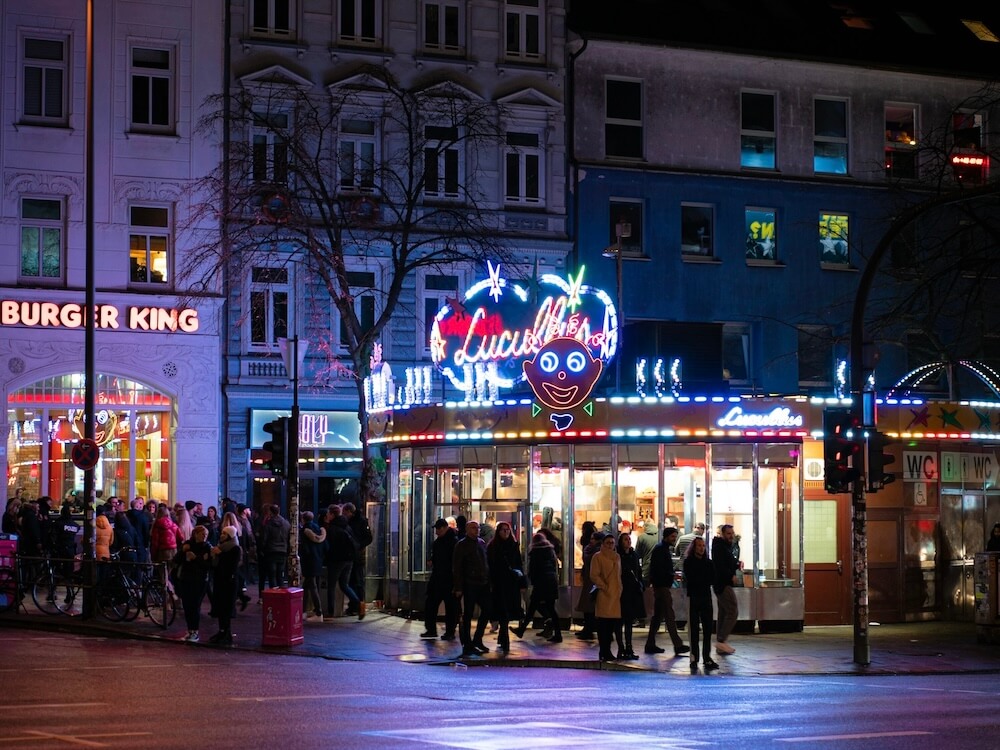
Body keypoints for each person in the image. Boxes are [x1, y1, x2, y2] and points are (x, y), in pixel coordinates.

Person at [645, 527, 690, 657]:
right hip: (662, 587)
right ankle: (677, 644)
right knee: (669, 615)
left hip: (660, 586)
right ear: (666, 536)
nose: (674, 539)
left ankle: (650, 644)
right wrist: (670, 576)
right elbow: (660, 570)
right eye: (672, 537)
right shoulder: (661, 550)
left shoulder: (662, 549)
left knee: (658, 617)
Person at [514, 531, 562, 643]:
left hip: (541, 583)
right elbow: (555, 566)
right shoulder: (551, 550)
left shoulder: (535, 552)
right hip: (551, 581)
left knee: (532, 606)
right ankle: (557, 634)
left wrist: (531, 581)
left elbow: (533, 570)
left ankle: (521, 630)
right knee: (550, 608)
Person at [452, 520, 490, 657]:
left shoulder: (481, 543)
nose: (476, 530)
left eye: (477, 528)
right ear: (467, 530)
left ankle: (477, 639)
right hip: (469, 584)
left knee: (487, 609)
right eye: (473, 528)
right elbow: (457, 567)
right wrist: (458, 587)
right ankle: (467, 644)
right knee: (467, 615)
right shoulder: (461, 545)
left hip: (482, 583)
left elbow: (485, 562)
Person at [486, 521, 522, 654]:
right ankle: (504, 638)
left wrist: (521, 581)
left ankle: (503, 637)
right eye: (503, 530)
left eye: (507, 530)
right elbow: (490, 565)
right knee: (502, 611)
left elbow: (518, 563)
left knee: (505, 612)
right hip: (498, 584)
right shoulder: (493, 546)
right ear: (498, 532)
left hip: (511, 584)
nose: (506, 532)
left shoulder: (513, 545)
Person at [683, 536, 719, 671]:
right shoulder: (689, 562)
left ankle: (707, 657)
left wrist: (702, 579)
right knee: (693, 630)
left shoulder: (708, 563)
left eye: (703, 546)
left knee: (708, 629)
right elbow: (691, 578)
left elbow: (712, 578)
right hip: (693, 597)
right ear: (694, 547)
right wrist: (702, 579)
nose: (701, 548)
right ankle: (694, 657)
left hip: (705, 597)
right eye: (699, 546)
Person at [420, 518, 458, 641]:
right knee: (435, 605)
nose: (436, 532)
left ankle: (443, 631)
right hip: (440, 579)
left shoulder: (451, 542)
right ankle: (438, 630)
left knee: (446, 606)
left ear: (443, 528)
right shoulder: (443, 542)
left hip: (447, 579)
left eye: (438, 529)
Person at [324, 506, 364, 620]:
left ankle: (331, 612)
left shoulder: (332, 528)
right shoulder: (346, 526)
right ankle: (359, 603)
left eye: (328, 513)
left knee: (331, 586)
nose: (327, 515)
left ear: (332, 514)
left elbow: (329, 547)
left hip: (336, 560)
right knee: (344, 585)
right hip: (349, 559)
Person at [175, 524, 212, 642]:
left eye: (206, 535)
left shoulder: (207, 547)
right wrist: (183, 552)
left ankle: (195, 631)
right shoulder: (188, 545)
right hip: (186, 578)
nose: (204, 537)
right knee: (187, 605)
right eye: (202, 534)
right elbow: (177, 559)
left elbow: (208, 565)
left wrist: (195, 558)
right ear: (195, 534)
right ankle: (190, 630)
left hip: (200, 580)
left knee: (195, 606)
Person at [590, 533, 624, 661]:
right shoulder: (598, 557)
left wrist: (619, 589)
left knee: (611, 626)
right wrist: (604, 586)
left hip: (615, 595)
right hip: (604, 595)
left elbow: (618, 575)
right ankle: (604, 650)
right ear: (603, 544)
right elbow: (594, 575)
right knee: (603, 625)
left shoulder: (617, 557)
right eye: (608, 542)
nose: (610, 545)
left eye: (612, 542)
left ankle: (607, 650)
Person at [209, 525, 243, 645]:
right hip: (219, 581)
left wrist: (220, 555)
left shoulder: (235, 548)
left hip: (229, 582)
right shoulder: (220, 547)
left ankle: (226, 632)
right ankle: (221, 630)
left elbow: (231, 567)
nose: (222, 535)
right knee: (220, 607)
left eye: (225, 534)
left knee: (226, 608)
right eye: (222, 533)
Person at [712, 524, 740, 656]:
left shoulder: (723, 547)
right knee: (732, 610)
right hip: (723, 584)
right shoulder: (720, 548)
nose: (731, 536)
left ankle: (720, 644)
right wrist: (731, 576)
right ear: (722, 534)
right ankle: (721, 640)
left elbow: (726, 563)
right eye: (728, 533)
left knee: (723, 612)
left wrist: (735, 564)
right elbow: (721, 567)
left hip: (721, 584)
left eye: (732, 533)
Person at [616, 532, 644, 659]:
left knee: (628, 621)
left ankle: (629, 647)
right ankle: (621, 647)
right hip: (622, 591)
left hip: (632, 591)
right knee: (620, 621)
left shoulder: (633, 555)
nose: (628, 542)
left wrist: (640, 583)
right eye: (625, 540)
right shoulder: (618, 556)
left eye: (629, 539)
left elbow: (638, 571)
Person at [342, 502, 373, 615]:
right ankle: (354, 605)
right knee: (352, 581)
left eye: (346, 513)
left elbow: (369, 538)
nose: (345, 515)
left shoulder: (361, 521)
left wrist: (359, 546)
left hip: (358, 555)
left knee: (358, 581)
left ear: (350, 512)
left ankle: (359, 604)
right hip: (353, 554)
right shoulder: (351, 521)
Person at [574, 524, 601, 640]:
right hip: (590, 580)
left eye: (593, 539)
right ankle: (588, 628)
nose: (591, 541)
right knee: (588, 607)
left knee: (589, 607)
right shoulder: (591, 550)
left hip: (592, 581)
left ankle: (589, 629)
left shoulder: (594, 551)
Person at [257, 504, 290, 597]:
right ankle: (282, 596)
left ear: (271, 512)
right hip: (282, 551)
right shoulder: (286, 523)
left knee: (272, 575)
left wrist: (262, 549)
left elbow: (264, 539)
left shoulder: (268, 524)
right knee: (280, 575)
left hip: (271, 551)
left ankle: (274, 596)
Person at [299, 511, 327, 620]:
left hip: (308, 562)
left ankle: (319, 612)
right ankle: (303, 611)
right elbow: (326, 547)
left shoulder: (304, 531)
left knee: (312, 586)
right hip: (318, 561)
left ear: (303, 519)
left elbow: (305, 549)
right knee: (307, 586)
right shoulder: (320, 531)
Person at [634, 520, 659, 624]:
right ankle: (658, 616)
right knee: (658, 593)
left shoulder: (642, 537)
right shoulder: (660, 535)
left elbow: (637, 554)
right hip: (658, 569)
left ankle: (642, 618)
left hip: (646, 569)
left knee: (643, 593)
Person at [127, 497, 152, 563]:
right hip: (140, 544)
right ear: (137, 506)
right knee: (140, 565)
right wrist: (146, 544)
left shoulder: (125, 516)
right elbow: (146, 532)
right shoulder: (143, 517)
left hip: (128, 543)